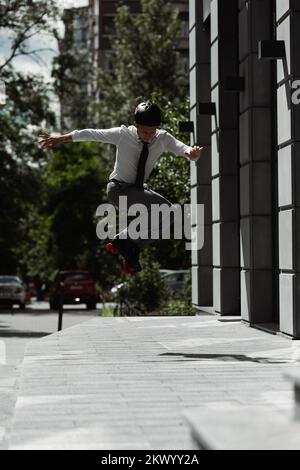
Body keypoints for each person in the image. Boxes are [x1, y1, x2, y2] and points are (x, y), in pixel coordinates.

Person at [39, 101, 204, 274]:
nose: (148, 136)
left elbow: (182, 148)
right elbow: (92, 134)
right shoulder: (122, 134)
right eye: (144, 131)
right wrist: (62, 138)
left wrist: (191, 153)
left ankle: (129, 247)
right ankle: (124, 241)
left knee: (171, 213)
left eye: (152, 131)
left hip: (139, 190)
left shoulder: (163, 138)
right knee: (163, 210)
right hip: (118, 190)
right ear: (136, 125)